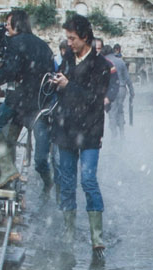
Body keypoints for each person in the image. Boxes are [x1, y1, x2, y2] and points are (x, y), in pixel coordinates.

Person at [44, 13, 113, 254]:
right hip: (66, 129)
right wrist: (56, 84)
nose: (69, 43)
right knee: (66, 181)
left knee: (88, 180)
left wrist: (68, 85)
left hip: (91, 130)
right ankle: (69, 231)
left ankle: (97, 236)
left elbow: (94, 100)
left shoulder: (101, 66)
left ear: (85, 37)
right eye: (68, 39)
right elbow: (64, 91)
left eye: (72, 38)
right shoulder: (66, 60)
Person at [0, 9, 56, 187]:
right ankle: (48, 182)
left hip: (20, 99)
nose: (6, 27)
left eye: (8, 23)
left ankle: (8, 170)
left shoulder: (15, 42)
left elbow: (11, 70)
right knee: (37, 153)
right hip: (39, 102)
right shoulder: (43, 45)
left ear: (17, 24)